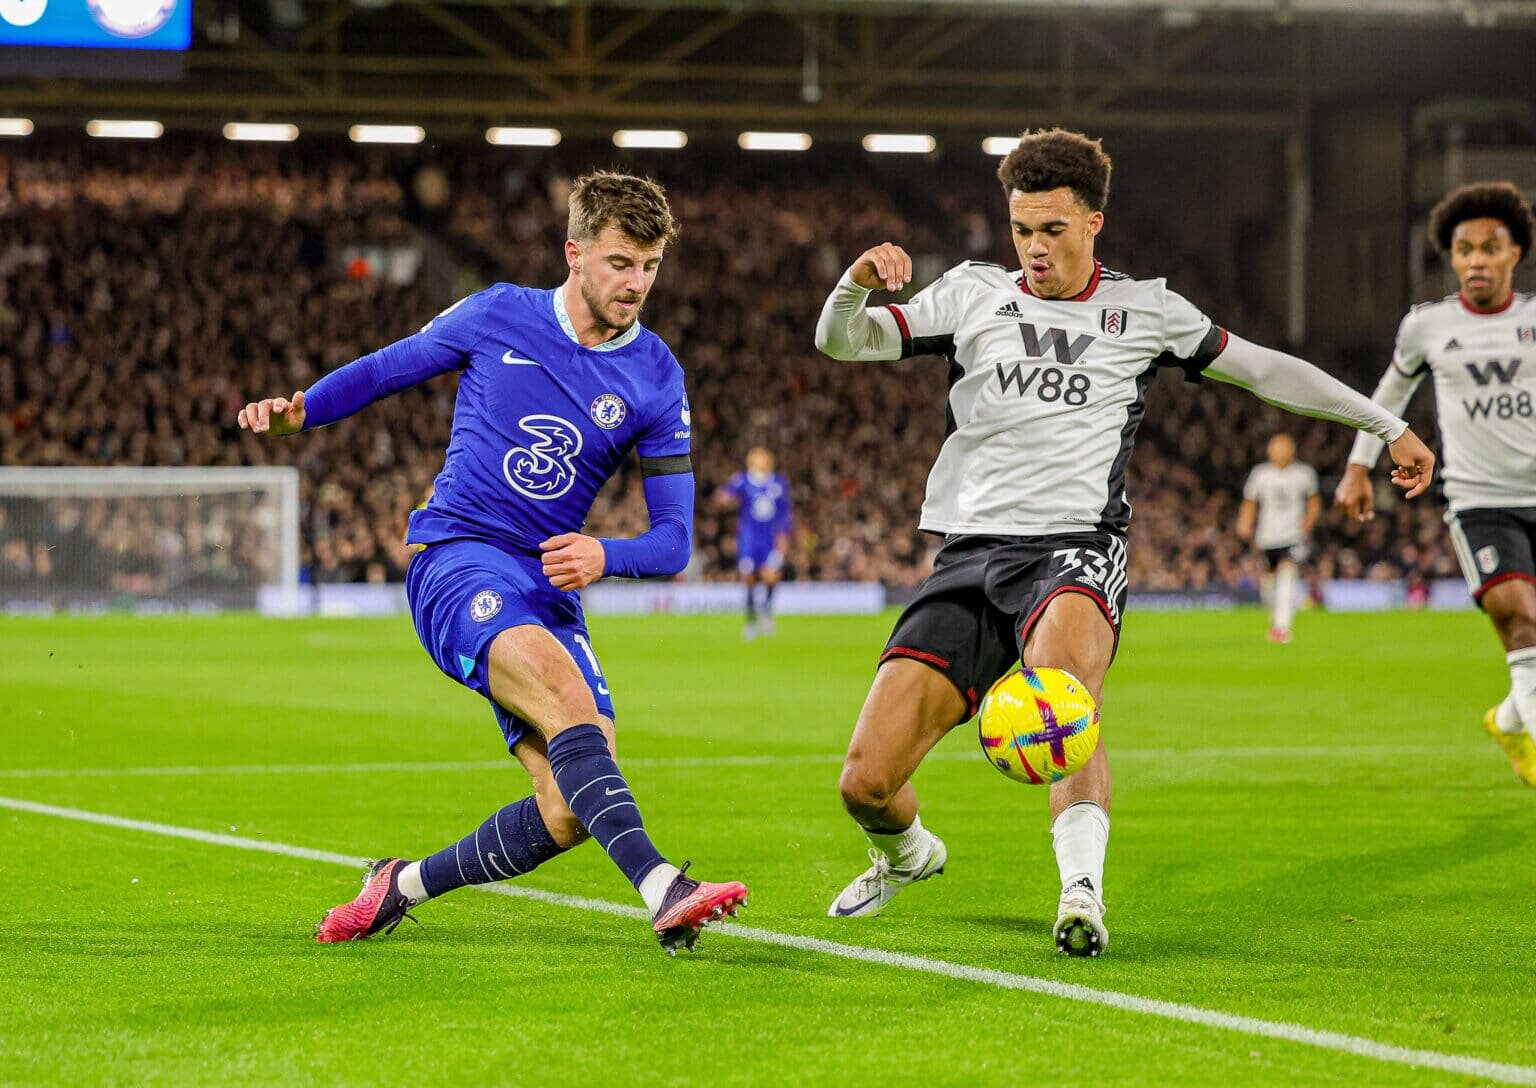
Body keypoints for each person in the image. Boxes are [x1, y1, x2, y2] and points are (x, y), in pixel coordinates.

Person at [813, 128, 1435, 956]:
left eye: (1053, 230)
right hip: (969, 554)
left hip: (1074, 548)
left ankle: (1081, 893)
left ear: (1094, 222)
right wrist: (855, 286)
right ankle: (909, 854)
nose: (1034, 248)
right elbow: (840, 341)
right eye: (1022, 229)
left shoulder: (1145, 310)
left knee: (1063, 698)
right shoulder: (969, 296)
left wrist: (1385, 422)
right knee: (865, 783)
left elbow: (1263, 370)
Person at [238, 170, 747, 954]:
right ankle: (664, 888)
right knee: (573, 713)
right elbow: (386, 368)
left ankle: (397, 886)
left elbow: (674, 539)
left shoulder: (656, 374)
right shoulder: (499, 313)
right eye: (620, 263)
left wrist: (606, 553)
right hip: (459, 560)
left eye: (649, 268)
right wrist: (302, 410)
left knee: (572, 805)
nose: (636, 284)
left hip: (547, 587)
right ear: (574, 252)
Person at [1337, 181, 1536, 789]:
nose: (1476, 259)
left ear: (1515, 254)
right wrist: (1356, 465)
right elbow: (1390, 396)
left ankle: (1509, 718)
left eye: (1490, 247)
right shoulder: (1427, 325)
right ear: (1450, 257)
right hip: (1479, 502)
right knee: (1520, 620)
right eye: (1463, 249)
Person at [1236, 433, 1320, 643]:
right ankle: (1276, 620)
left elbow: (1313, 503)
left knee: (1287, 573)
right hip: (1267, 536)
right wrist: (1245, 523)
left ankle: (1282, 627)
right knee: (1268, 583)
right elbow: (1250, 502)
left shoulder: (1303, 474)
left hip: (1293, 535)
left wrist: (1306, 526)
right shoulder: (1261, 474)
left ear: (1292, 450)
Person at [715, 447, 793, 637]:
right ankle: (750, 621)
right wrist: (724, 498)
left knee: (771, 576)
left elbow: (785, 513)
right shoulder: (743, 480)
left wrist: (784, 535)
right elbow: (724, 495)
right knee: (749, 577)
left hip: (770, 537)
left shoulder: (779, 483)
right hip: (749, 537)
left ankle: (765, 611)